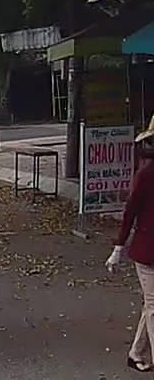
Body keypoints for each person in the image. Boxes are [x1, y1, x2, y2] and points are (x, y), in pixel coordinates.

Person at [108, 115, 154, 372]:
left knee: (151, 305)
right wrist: (118, 248)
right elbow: (130, 212)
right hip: (147, 253)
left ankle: (136, 352)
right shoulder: (146, 174)